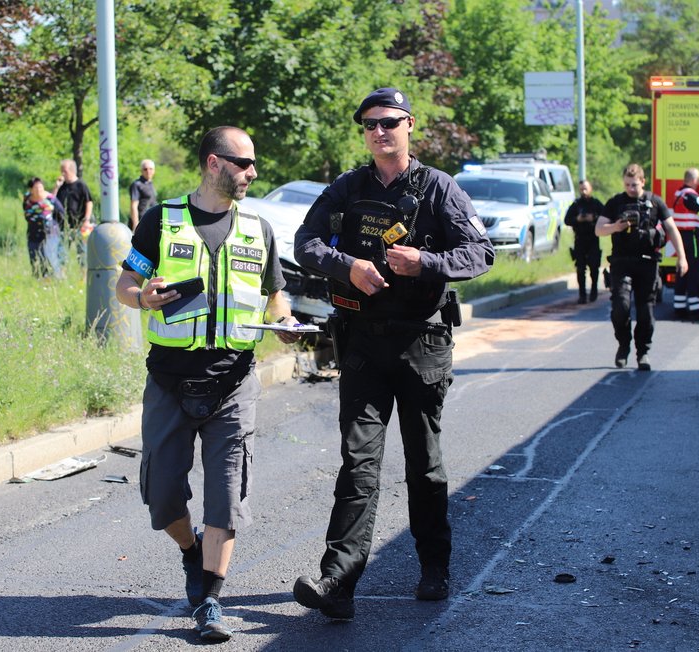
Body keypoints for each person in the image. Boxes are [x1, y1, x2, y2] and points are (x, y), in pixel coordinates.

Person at [290, 88, 495, 620]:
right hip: (361, 343)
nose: (379, 132)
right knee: (358, 463)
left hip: (421, 343)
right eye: (370, 125)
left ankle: (434, 567)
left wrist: (425, 262)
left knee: (424, 467)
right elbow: (305, 242)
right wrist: (346, 267)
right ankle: (338, 582)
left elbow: (480, 252)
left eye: (389, 123)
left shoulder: (440, 188)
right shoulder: (349, 187)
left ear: (409, 126)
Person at [115, 126, 301, 642]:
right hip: (170, 379)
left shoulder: (257, 228)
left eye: (252, 163)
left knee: (226, 498)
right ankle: (190, 552)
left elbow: (275, 296)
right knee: (162, 496)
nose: (252, 173)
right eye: (244, 163)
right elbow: (125, 284)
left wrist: (283, 324)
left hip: (234, 382)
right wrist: (142, 297)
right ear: (214, 163)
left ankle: (210, 600)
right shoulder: (161, 221)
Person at [596, 164, 687, 371]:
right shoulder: (615, 203)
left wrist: (682, 257)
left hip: (647, 263)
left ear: (643, 182)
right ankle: (623, 344)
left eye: (634, 185)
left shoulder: (655, 202)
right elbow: (598, 229)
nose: (631, 188)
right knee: (621, 307)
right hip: (621, 262)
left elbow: (672, 229)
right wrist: (616, 227)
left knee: (646, 312)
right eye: (627, 184)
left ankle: (643, 352)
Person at [671, 168, 699, 316]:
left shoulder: (679, 193)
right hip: (692, 237)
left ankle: (679, 305)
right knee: (694, 269)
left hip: (680, 236)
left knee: (682, 269)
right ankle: (695, 307)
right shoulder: (692, 196)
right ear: (693, 180)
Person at [564, 179, 604, 304]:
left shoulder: (596, 203)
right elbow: (567, 220)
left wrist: (594, 218)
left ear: (591, 188)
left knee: (594, 267)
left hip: (593, 239)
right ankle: (582, 294)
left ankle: (594, 291)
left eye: (586, 188)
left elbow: (606, 218)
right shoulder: (576, 204)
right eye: (581, 189)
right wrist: (578, 219)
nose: (584, 191)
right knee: (580, 268)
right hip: (580, 240)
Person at [23, 177, 66, 278]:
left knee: (49, 257)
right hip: (33, 233)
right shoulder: (27, 198)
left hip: (50, 233)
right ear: (30, 189)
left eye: (40, 187)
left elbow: (61, 212)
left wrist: (56, 225)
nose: (38, 190)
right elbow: (25, 210)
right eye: (36, 188)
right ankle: (38, 279)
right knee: (34, 257)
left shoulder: (50, 198)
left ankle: (55, 278)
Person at [54, 159, 94, 264]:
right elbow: (51, 201)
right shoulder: (61, 186)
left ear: (72, 171)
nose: (62, 173)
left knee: (82, 253)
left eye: (65, 171)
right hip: (64, 226)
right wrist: (56, 187)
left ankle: (83, 276)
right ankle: (62, 275)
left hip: (79, 225)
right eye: (61, 171)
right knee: (61, 253)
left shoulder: (81, 185)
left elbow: (89, 202)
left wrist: (87, 220)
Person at [129, 159, 157, 230]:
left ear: (154, 171)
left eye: (150, 169)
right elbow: (133, 206)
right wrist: (136, 224)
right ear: (141, 171)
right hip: (141, 222)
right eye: (145, 169)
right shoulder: (137, 184)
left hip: (151, 222)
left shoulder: (150, 184)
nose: (148, 171)